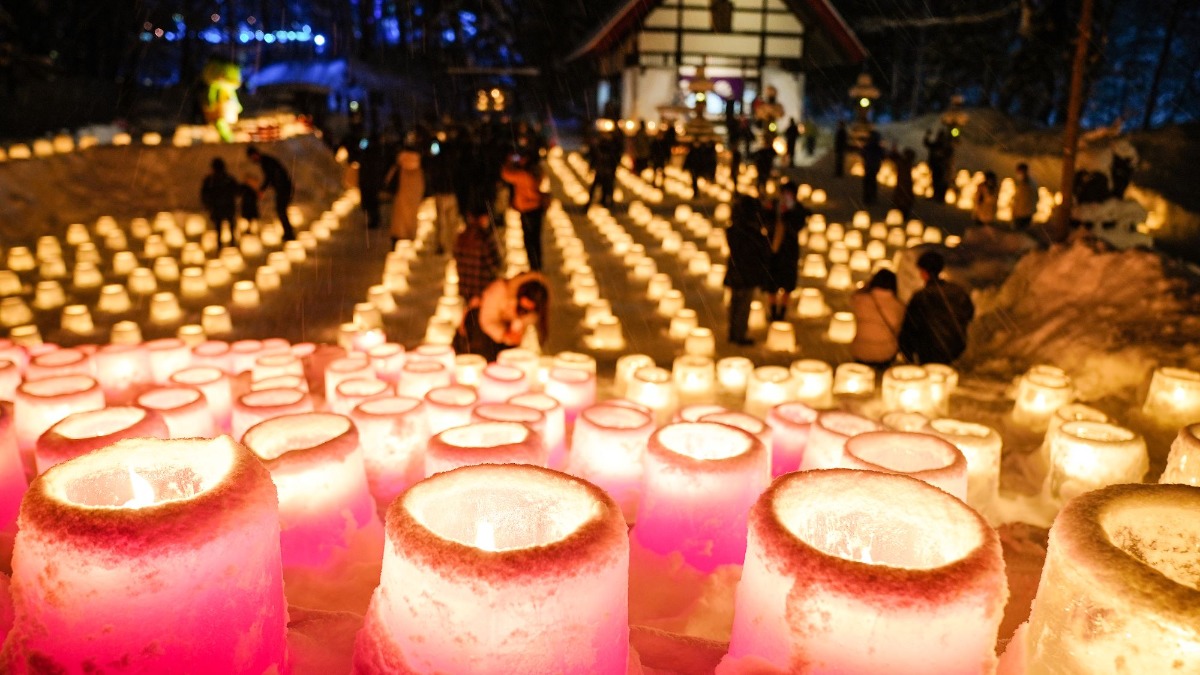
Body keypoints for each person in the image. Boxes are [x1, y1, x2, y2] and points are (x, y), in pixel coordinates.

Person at [898, 251, 975, 365]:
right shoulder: (958, 291)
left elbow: (909, 327)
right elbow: (970, 313)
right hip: (954, 346)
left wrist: (907, 352)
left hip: (929, 350)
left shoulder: (921, 296)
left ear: (923, 272)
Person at [455, 273, 550, 362]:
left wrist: (514, 335)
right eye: (522, 307)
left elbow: (522, 325)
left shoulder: (533, 309)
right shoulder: (500, 290)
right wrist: (504, 335)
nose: (523, 310)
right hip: (478, 325)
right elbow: (486, 320)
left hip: (502, 334)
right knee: (483, 352)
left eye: (527, 309)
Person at [724, 194, 772, 346]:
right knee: (743, 305)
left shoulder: (733, 230)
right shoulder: (752, 233)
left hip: (735, 271)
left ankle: (733, 332)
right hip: (747, 273)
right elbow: (762, 249)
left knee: (735, 304)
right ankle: (740, 335)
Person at [767, 182, 809, 322]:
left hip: (789, 251)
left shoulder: (797, 209)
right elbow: (765, 221)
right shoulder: (773, 205)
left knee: (787, 283)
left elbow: (798, 226)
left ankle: (782, 313)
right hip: (773, 249)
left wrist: (789, 214)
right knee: (771, 283)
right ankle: (773, 311)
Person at [850, 269, 906, 369]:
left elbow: (855, 293)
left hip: (861, 352)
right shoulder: (899, 306)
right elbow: (898, 331)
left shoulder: (859, 300)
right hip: (885, 354)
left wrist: (868, 285)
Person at [500, 154, 547, 271]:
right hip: (536, 208)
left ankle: (534, 266)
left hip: (528, 210)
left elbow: (506, 174)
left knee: (529, 240)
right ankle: (537, 265)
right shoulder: (536, 173)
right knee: (535, 239)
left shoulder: (523, 175)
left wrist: (509, 161)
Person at [453, 201, 501, 305]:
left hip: (466, 289)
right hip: (482, 289)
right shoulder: (485, 239)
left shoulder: (461, 237)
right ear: (483, 218)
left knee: (470, 317)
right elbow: (495, 265)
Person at [246, 146, 296, 241]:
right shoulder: (266, 161)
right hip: (283, 187)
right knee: (281, 210)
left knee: (281, 210)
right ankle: (288, 233)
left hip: (283, 188)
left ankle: (289, 234)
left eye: (252, 157)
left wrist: (262, 189)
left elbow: (270, 177)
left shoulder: (266, 162)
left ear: (255, 154)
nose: (252, 160)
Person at [385, 135, 425, 245]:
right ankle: (410, 234)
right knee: (412, 215)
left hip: (401, 191)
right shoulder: (419, 165)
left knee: (400, 215)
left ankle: (399, 236)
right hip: (414, 193)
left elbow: (390, 178)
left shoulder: (401, 162)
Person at [426, 133, 460, 254]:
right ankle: (453, 245)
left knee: (442, 222)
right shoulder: (454, 161)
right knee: (452, 222)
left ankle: (442, 245)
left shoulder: (437, 161)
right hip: (451, 192)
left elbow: (433, 175)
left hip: (441, 193)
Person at [201, 158, 240, 246]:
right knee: (229, 227)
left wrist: (208, 205)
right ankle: (231, 245)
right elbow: (237, 190)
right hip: (227, 207)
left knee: (219, 228)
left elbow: (205, 194)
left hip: (218, 207)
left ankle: (221, 246)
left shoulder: (210, 180)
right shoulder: (228, 178)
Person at [891, 147, 916, 221]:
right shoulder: (904, 164)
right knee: (903, 199)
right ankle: (902, 213)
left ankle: (902, 213)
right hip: (903, 185)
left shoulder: (905, 164)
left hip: (904, 186)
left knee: (903, 199)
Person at [1012, 162, 1037, 230]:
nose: (1018, 174)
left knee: (1020, 234)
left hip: (1022, 215)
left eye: (1018, 172)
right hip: (1027, 213)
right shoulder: (1032, 183)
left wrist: (1015, 213)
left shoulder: (1026, 184)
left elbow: (1020, 201)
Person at [861, 131, 884, 206]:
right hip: (874, 166)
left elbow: (863, 153)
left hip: (869, 166)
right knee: (872, 181)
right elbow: (883, 156)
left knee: (868, 182)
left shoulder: (869, 147)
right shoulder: (877, 148)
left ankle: (867, 197)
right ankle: (872, 197)